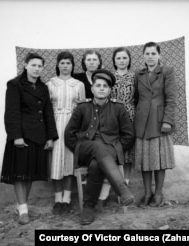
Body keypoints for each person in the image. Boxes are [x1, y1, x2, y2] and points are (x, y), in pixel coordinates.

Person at [65, 69, 135, 225]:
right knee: (96, 146)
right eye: (98, 85)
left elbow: (129, 135)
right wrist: (78, 148)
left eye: (105, 86)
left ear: (110, 90)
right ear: (92, 89)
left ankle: (89, 207)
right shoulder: (82, 108)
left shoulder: (118, 108)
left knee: (97, 164)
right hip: (85, 149)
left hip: (110, 150)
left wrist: (117, 148)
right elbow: (69, 134)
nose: (101, 88)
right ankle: (122, 190)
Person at [0, 52, 58, 225]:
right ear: (25, 65)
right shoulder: (15, 85)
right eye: (33, 65)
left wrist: (50, 137)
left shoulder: (43, 87)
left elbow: (48, 113)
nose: (37, 69)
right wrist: (16, 136)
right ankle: (23, 208)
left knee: (30, 174)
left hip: (39, 137)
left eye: (40, 66)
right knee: (20, 174)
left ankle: (21, 205)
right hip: (22, 136)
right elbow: (11, 113)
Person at [134, 42, 177, 207]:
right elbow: (137, 97)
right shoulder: (139, 73)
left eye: (153, 53)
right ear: (143, 56)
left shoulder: (167, 71)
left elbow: (171, 98)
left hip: (159, 121)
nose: (150, 57)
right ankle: (147, 193)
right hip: (142, 121)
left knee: (160, 160)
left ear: (159, 55)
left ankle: (158, 194)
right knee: (145, 160)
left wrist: (167, 120)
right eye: (147, 54)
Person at [46, 51, 85, 215]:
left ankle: (67, 199)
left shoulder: (78, 84)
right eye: (62, 62)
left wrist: (80, 131)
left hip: (72, 124)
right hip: (54, 122)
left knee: (70, 161)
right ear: (57, 65)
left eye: (68, 63)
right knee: (55, 162)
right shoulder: (50, 84)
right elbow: (46, 109)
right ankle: (57, 199)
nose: (65, 66)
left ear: (72, 65)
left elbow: (82, 108)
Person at [96, 47, 135, 209]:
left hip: (130, 115)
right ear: (114, 60)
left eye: (124, 57)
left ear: (129, 59)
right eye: (118, 58)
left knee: (127, 156)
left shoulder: (135, 77)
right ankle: (105, 194)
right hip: (113, 116)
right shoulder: (109, 78)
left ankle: (123, 189)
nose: (121, 60)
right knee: (113, 153)